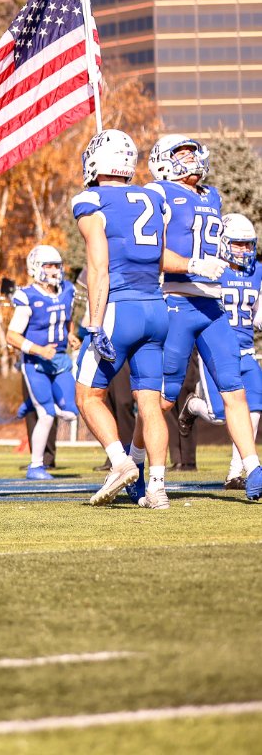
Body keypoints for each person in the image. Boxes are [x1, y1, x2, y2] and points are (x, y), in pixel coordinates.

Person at [145, 135, 262, 501]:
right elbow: (150, 251)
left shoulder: (212, 196)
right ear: (162, 161)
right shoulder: (157, 193)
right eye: (182, 154)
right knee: (160, 400)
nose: (192, 159)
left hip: (212, 307)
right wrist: (193, 264)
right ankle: (142, 469)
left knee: (235, 390)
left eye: (193, 153)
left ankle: (253, 468)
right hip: (176, 301)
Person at [72, 130, 175, 508]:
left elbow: (100, 267)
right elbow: (159, 255)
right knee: (149, 403)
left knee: (87, 395)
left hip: (120, 308)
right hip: (156, 307)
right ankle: (158, 488)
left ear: (95, 161)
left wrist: (95, 323)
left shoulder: (90, 199)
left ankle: (120, 462)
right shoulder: (153, 195)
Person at [184, 214, 262, 490]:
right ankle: (193, 405)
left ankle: (236, 472)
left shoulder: (258, 271)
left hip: (247, 350)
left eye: (247, 244)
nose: (243, 250)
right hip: (217, 349)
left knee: (253, 409)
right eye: (238, 244)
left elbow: (257, 314)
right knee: (220, 414)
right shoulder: (213, 269)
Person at [8, 245, 77, 480]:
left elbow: (65, 319)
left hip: (59, 359)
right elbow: (11, 336)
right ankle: (36, 466)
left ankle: (32, 401)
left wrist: (70, 335)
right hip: (35, 362)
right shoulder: (28, 296)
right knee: (47, 414)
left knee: (70, 412)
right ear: (36, 268)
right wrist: (38, 349)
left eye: (56, 265)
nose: (54, 270)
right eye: (48, 266)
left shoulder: (68, 290)